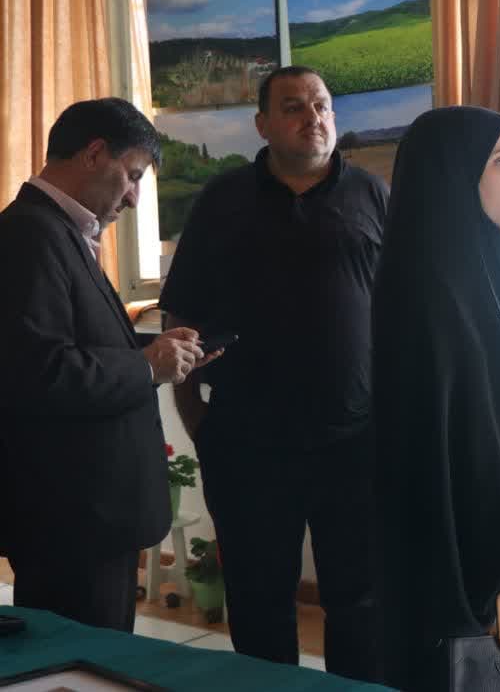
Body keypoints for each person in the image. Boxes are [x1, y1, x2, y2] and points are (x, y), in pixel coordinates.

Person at [159, 66, 386, 681]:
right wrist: (198, 423)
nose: (314, 118)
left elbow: (404, 315)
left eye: (322, 105)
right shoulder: (222, 201)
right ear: (262, 124)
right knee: (259, 604)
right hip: (248, 447)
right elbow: (181, 316)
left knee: (362, 605)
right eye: (294, 107)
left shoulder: (371, 195)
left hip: (355, 447)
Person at [372, 105, 500, 691]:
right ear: (452, 177)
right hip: (477, 580)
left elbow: (496, 415)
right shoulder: (429, 293)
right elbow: (447, 454)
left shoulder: (479, 267)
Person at [0, 98, 216, 631]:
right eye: (133, 176)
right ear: (94, 153)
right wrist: (146, 367)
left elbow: (77, 347)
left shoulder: (63, 231)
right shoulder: (30, 234)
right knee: (78, 661)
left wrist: (157, 354)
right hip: (71, 518)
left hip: (89, 517)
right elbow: (40, 374)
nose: (135, 198)